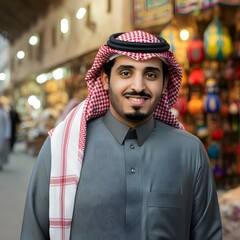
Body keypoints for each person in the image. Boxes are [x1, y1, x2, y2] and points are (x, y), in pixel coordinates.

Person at [21, 30, 222, 240]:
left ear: (164, 84)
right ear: (106, 79)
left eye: (151, 74)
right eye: (126, 73)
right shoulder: (61, 149)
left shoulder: (190, 152)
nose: (138, 86)